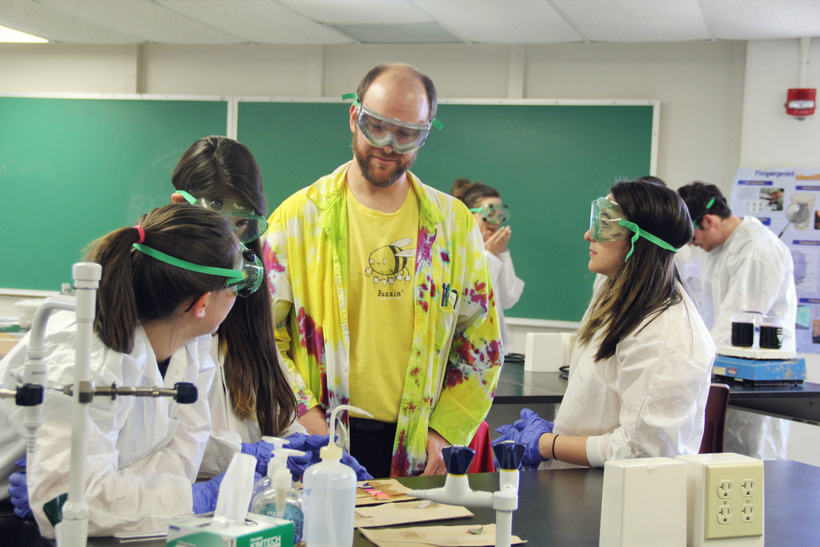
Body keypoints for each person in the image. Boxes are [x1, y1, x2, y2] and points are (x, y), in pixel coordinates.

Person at [262, 63, 502, 479]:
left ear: (424, 134)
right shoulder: (298, 219)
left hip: (418, 446)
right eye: (376, 126)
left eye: (406, 133)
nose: (388, 144)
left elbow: (481, 344)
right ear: (354, 117)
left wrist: (445, 431)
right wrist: (304, 414)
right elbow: (262, 338)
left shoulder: (452, 225)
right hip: (317, 441)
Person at [0, 204, 259, 537]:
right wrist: (193, 499)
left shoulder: (188, 346)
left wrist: (135, 488)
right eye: (235, 288)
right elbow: (64, 504)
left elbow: (178, 461)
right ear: (202, 303)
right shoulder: (85, 355)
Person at [170, 136, 370, 481]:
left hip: (249, 513)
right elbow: (170, 438)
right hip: (175, 510)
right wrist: (249, 456)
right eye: (217, 219)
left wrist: (303, 445)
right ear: (179, 204)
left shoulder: (243, 307)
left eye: (241, 224)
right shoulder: (158, 303)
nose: (230, 241)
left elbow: (275, 405)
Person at [494, 180, 715, 468]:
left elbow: (645, 451)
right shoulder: (618, 296)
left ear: (640, 239)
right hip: (588, 483)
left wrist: (549, 444)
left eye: (605, 225)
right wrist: (561, 431)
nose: (588, 235)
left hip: (626, 497)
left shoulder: (666, 335)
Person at [678, 181, 796, 459]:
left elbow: (738, 321)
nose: (693, 246)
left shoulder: (756, 248)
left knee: (752, 459)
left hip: (754, 379)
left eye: (692, 238)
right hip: (726, 370)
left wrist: (692, 363)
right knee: (722, 458)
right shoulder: (718, 246)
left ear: (708, 221)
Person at [451, 178, 524, 351]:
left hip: (493, 350)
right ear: (468, 214)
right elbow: (470, 301)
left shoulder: (493, 253)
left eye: (500, 215)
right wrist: (488, 256)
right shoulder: (452, 250)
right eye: (490, 214)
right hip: (466, 350)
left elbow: (508, 298)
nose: (496, 222)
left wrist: (500, 254)